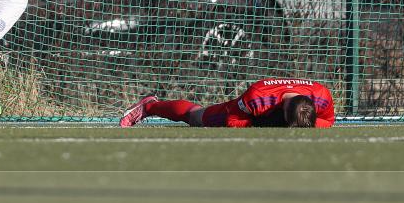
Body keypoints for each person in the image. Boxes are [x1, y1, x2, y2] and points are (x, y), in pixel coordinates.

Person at [120, 78, 334, 128]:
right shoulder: (258, 97)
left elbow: (329, 122)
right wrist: (260, 124)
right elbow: (233, 120)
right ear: (283, 110)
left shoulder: (322, 96)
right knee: (195, 117)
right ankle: (150, 106)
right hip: (240, 112)